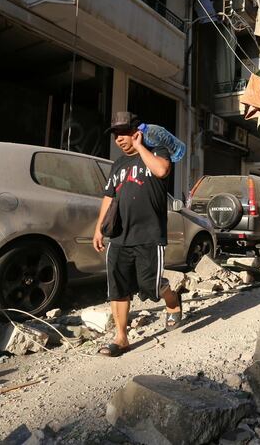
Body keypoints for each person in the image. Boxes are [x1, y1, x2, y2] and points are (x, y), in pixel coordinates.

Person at [93, 112, 182, 357]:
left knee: (149, 287)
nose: (118, 139)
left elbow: (162, 171)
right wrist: (99, 229)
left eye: (123, 133)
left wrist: (141, 146)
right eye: (115, 135)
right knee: (118, 287)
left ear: (136, 132)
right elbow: (109, 197)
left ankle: (172, 300)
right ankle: (121, 337)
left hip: (149, 234)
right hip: (120, 235)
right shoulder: (118, 164)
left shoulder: (159, 151)